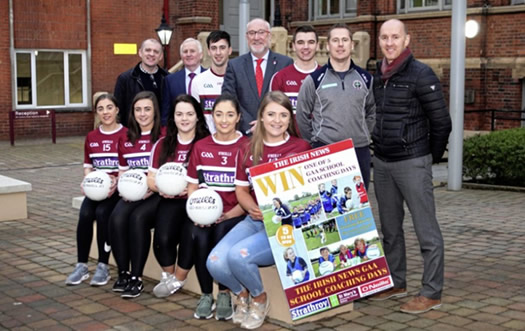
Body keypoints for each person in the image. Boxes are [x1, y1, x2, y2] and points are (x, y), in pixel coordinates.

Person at [206, 91, 311, 329]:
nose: (277, 120)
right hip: (254, 221)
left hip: (284, 227)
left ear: (290, 118)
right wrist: (254, 208)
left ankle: (259, 297)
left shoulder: (301, 147)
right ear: (261, 117)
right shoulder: (247, 148)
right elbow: (241, 190)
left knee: (238, 256)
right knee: (214, 262)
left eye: (283, 115)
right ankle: (241, 294)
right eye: (271, 114)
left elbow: (308, 193)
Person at [369, 19, 452, 315]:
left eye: (395, 37)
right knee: (390, 229)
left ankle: (432, 292)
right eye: (384, 37)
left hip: (412, 162)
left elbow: (442, 123)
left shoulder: (421, 74)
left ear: (406, 40)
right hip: (382, 162)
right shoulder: (377, 76)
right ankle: (395, 281)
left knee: (425, 229)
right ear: (379, 41)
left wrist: (426, 157)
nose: (389, 42)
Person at [186, 94, 248, 320]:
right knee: (199, 237)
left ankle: (223, 293)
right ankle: (205, 294)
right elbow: (192, 185)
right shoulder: (201, 146)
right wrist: (196, 209)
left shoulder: (247, 146)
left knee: (221, 234)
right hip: (205, 212)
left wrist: (229, 214)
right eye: (219, 114)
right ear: (212, 117)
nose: (224, 120)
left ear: (238, 118)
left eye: (230, 115)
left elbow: (249, 193)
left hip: (236, 213)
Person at [296, 23, 376, 189]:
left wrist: (362, 133)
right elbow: (302, 115)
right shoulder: (315, 79)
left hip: (359, 150)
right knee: (329, 206)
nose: (340, 44)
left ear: (352, 45)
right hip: (326, 150)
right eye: (336, 40)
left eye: (345, 40)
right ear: (328, 45)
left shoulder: (366, 79)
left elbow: (372, 112)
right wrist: (316, 140)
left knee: (357, 208)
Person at [148, 95, 210, 298]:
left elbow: (213, 177)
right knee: (162, 237)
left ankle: (179, 279)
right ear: (173, 118)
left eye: (190, 114)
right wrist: (161, 189)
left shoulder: (206, 144)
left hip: (196, 201)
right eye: (179, 114)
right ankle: (168, 276)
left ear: (198, 117)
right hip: (170, 200)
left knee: (190, 235)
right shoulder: (163, 144)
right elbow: (151, 179)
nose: (184, 119)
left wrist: (194, 187)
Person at [66, 94, 127, 286]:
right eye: (100, 109)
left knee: (102, 214)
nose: (105, 112)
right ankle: (81, 265)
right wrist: (87, 180)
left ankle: (103, 265)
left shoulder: (126, 134)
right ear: (96, 112)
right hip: (96, 189)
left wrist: (116, 181)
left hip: (116, 189)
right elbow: (88, 165)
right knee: (85, 214)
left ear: (117, 110)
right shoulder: (91, 137)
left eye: (109, 107)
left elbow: (131, 166)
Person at [109, 91, 163, 298]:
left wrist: (151, 188)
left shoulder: (164, 135)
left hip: (157, 193)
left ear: (155, 111)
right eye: (138, 109)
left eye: (147, 109)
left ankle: (136, 277)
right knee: (116, 217)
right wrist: (124, 188)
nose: (142, 114)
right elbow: (123, 170)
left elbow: (169, 173)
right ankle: (123, 272)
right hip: (133, 191)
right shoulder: (125, 136)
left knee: (138, 219)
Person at [222, 18, 293, 135]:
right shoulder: (234, 65)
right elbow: (229, 99)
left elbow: (288, 100)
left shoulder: (285, 63)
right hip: (246, 133)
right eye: (252, 33)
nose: (256, 37)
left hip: (276, 131)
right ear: (247, 37)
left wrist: (265, 123)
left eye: (261, 32)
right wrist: (248, 124)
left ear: (269, 36)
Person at [270, 25, 320, 129]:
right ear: (293, 46)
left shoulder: (328, 76)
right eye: (300, 42)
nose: (306, 47)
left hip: (320, 142)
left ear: (317, 45)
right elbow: (273, 114)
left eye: (311, 42)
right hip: (290, 142)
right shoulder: (280, 77)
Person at [114, 39, 168, 127]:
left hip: (160, 133)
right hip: (134, 133)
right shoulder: (125, 79)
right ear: (140, 53)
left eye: (156, 51)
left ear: (161, 56)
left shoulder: (167, 78)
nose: (151, 54)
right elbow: (118, 111)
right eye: (148, 50)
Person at [191, 31, 233, 133]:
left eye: (222, 48)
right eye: (214, 48)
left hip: (233, 140)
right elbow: (195, 116)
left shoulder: (239, 79)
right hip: (207, 139)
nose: (218, 52)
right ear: (208, 51)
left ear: (230, 50)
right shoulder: (198, 81)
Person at [161, 38, 206, 125]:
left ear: (201, 55)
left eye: (192, 51)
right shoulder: (170, 80)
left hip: (205, 130)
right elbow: (166, 113)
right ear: (181, 56)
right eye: (185, 52)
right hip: (179, 131)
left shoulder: (210, 77)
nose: (188, 54)